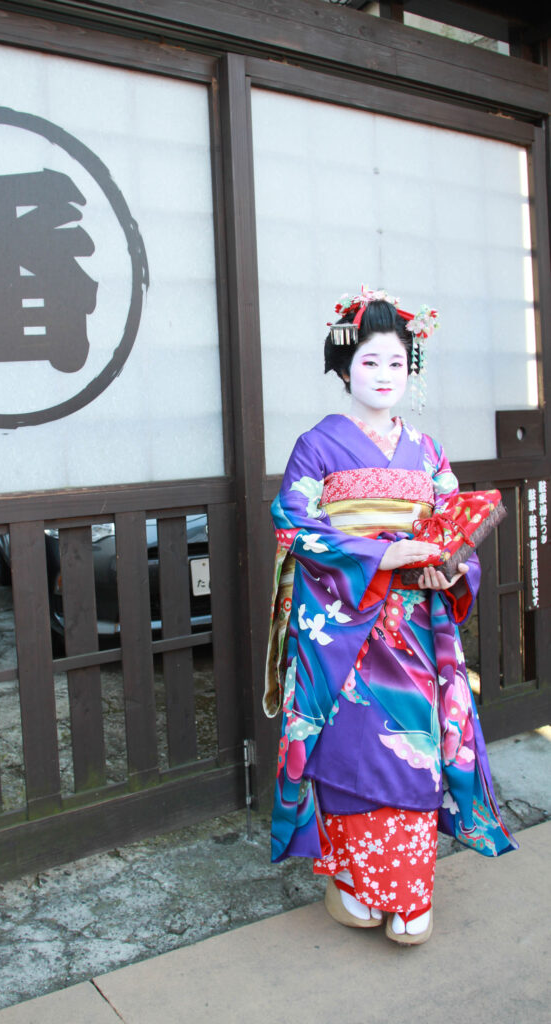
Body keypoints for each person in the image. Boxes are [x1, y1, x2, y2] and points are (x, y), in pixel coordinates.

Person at [264, 286, 516, 946]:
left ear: (411, 373)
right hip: (343, 627)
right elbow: (294, 525)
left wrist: (449, 565)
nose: (382, 376)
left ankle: (408, 894)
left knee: (413, 752)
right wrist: (381, 553)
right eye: (370, 362)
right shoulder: (316, 446)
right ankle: (350, 886)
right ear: (343, 368)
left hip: (412, 629)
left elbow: (453, 531)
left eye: (396, 364)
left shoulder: (428, 453)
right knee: (344, 749)